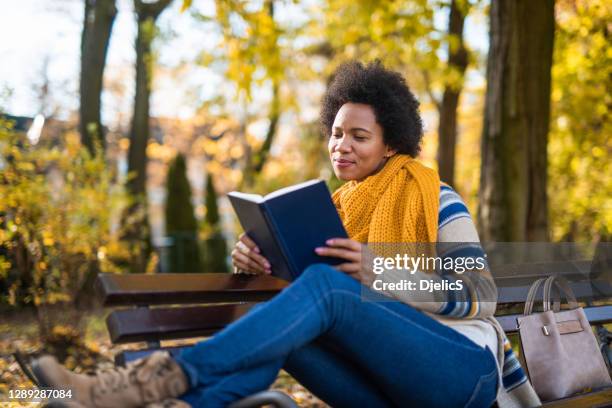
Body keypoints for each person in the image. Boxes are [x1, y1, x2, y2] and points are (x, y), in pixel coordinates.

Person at [31, 61, 540, 408]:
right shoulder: (329, 211)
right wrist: (258, 261)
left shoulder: (434, 196)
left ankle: (142, 382)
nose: (341, 145)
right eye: (337, 132)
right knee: (274, 317)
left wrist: (379, 271)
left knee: (327, 287)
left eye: (359, 136)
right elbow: (304, 302)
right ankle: (153, 399)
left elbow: (482, 295)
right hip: (383, 389)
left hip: (460, 374)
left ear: (390, 147)